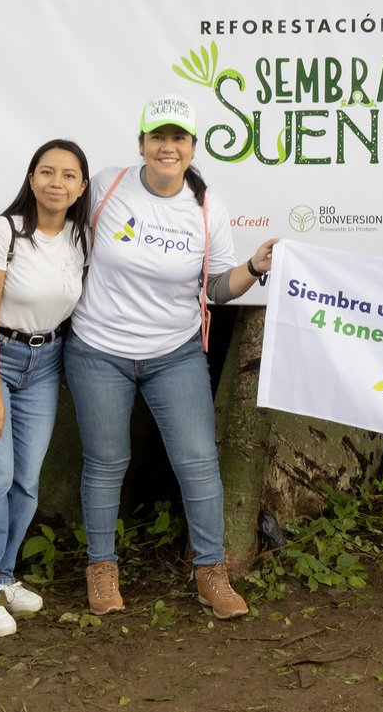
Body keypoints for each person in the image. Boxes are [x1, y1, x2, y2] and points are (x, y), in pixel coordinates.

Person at [66, 94, 277, 621]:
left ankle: (211, 571)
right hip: (98, 350)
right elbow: (50, 225)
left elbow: (216, 289)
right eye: (158, 137)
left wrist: (253, 265)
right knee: (106, 463)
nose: (167, 146)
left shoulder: (208, 208)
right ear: (141, 144)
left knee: (199, 462)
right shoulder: (106, 188)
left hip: (174, 354)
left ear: (192, 148)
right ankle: (101, 567)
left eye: (178, 138)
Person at [0, 139, 90, 638]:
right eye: (47, 172)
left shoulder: (81, 237)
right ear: (32, 179)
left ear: (80, 188)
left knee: (26, 481)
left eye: (69, 175)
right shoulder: (4, 231)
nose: (57, 182)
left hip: (46, 360)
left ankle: (4, 575)